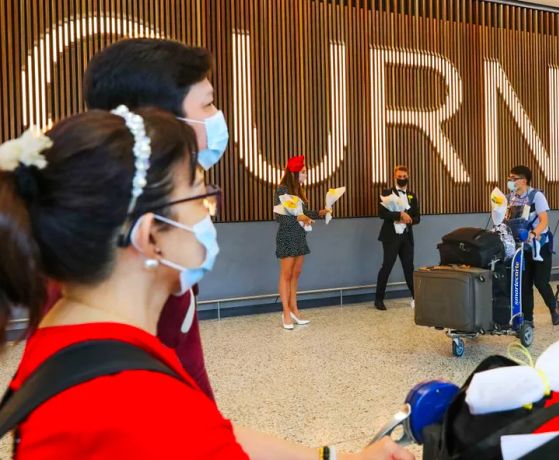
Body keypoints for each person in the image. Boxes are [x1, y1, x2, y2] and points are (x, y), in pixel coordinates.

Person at [0, 108, 412, 459]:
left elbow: (213, 434)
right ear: (150, 235)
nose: (208, 214)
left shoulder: (70, 331)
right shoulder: (130, 399)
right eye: (199, 197)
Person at [73, 37, 225, 399]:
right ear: (161, 123)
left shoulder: (163, 259)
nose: (218, 117)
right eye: (208, 105)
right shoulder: (127, 279)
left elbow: (195, 412)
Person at [275, 155, 329, 330]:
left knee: (296, 273)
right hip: (287, 236)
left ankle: (294, 309)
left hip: (299, 236)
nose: (306, 175)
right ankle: (285, 312)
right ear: (295, 172)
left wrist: (320, 213)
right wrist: (300, 217)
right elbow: (280, 217)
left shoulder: (299, 191)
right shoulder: (281, 190)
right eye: (304, 172)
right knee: (286, 274)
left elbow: (304, 213)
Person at [505, 165, 559, 326]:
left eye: (513, 178)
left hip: (539, 245)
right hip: (521, 246)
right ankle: (528, 320)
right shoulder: (511, 198)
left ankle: (553, 305)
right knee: (525, 284)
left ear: (523, 180)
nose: (510, 181)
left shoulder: (536, 196)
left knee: (541, 282)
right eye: (509, 178)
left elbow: (544, 220)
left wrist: (533, 234)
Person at [375, 166, 420, 311]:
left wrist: (410, 220)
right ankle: (379, 299)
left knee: (409, 268)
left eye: (404, 176)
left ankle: (416, 298)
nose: (402, 179)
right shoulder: (387, 193)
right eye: (399, 176)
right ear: (395, 177)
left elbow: (418, 217)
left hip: (407, 237)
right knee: (387, 266)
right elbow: (382, 214)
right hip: (391, 237)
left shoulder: (412, 195)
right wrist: (399, 215)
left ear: (408, 176)